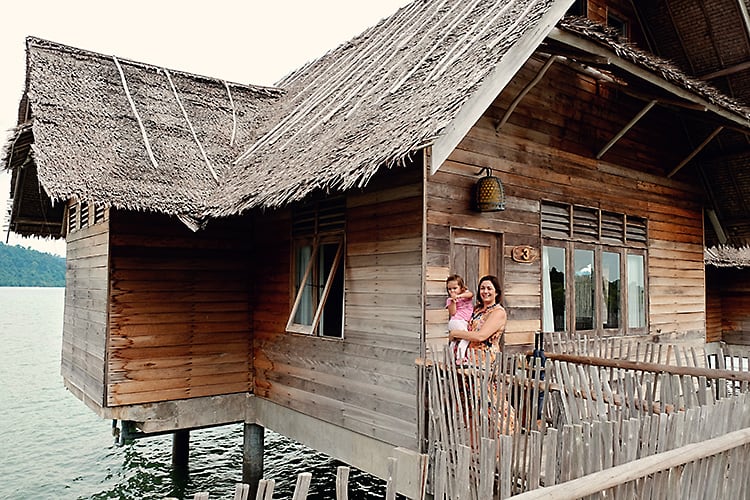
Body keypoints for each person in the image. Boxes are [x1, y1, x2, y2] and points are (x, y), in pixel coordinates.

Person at [449, 275, 516, 436]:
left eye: (489, 288)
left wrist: (455, 333)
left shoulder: (498, 312)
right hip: (468, 359)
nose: (485, 291)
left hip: (485, 360)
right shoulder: (477, 309)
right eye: (482, 288)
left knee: (490, 400)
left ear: (496, 292)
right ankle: (475, 448)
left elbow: (481, 336)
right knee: (470, 403)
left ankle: (503, 438)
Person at [445, 274, 474, 365]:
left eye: (455, 288)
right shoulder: (450, 300)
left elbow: (471, 294)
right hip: (458, 321)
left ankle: (451, 355)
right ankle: (460, 357)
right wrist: (453, 301)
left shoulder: (464, 295)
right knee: (466, 338)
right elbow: (452, 313)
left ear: (461, 288)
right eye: (449, 289)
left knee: (455, 340)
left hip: (457, 322)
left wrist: (458, 296)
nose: (452, 291)